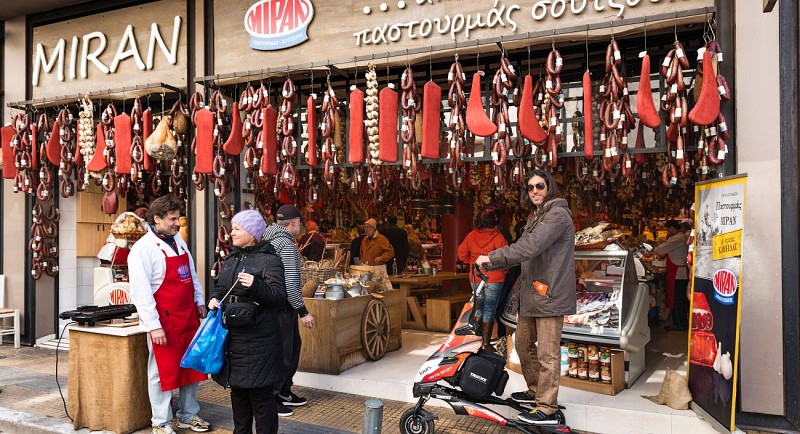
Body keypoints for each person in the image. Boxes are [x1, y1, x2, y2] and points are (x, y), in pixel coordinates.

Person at [476, 169, 575, 425]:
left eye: (539, 186)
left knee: (548, 354)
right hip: (532, 294)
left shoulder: (557, 215)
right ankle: (535, 392)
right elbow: (522, 249)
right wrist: (495, 262)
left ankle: (548, 408)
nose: (535, 191)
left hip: (549, 294)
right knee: (521, 344)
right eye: (530, 188)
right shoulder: (536, 216)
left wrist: (493, 258)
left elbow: (530, 247)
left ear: (549, 186)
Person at [128, 195, 211, 434]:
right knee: (161, 372)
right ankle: (161, 422)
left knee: (191, 366)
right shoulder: (142, 250)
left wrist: (199, 301)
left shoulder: (179, 242)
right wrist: (153, 326)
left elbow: (192, 275)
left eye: (178, 218)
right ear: (157, 219)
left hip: (187, 317)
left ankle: (188, 415)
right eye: (173, 219)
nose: (177, 223)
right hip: (163, 320)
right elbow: (141, 293)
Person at [208, 210, 287, 434]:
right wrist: (213, 300)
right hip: (233, 338)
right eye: (232, 228)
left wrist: (256, 285)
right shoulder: (231, 259)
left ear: (252, 233)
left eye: (237, 229)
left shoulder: (270, 260)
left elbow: (280, 297)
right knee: (239, 395)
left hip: (260, 341)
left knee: (261, 396)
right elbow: (220, 289)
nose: (231, 233)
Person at [261, 204, 315, 417]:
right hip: (283, 307)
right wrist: (303, 311)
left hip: (267, 304)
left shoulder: (265, 238)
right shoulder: (287, 246)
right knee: (286, 351)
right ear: (293, 223)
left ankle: (283, 391)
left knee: (285, 348)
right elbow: (291, 284)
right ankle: (274, 396)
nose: (299, 227)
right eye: (299, 223)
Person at [457, 209, 508, 351]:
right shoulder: (499, 238)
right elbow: (506, 258)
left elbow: (461, 253)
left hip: (476, 277)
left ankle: (475, 340)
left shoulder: (471, 236)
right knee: (490, 309)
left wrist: (472, 262)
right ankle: (486, 343)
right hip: (495, 278)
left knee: (478, 307)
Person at [653, 220, 690, 331]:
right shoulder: (681, 237)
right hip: (679, 272)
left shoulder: (677, 238)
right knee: (680, 299)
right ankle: (679, 322)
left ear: (673, 228)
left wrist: (653, 249)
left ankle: (679, 323)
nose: (667, 232)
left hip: (678, 274)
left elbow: (660, 249)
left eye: (668, 229)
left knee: (677, 299)